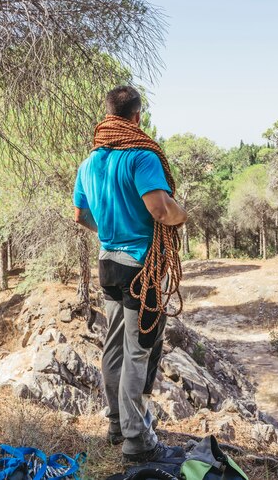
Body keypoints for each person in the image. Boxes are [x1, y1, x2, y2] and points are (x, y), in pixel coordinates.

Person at [73, 85, 187, 464]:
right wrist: (181, 216)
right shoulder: (142, 156)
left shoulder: (89, 164)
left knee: (114, 346)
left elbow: (80, 216)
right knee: (138, 351)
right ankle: (137, 440)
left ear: (108, 115)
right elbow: (159, 209)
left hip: (107, 262)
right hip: (142, 267)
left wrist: (109, 229)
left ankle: (117, 424)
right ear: (137, 117)